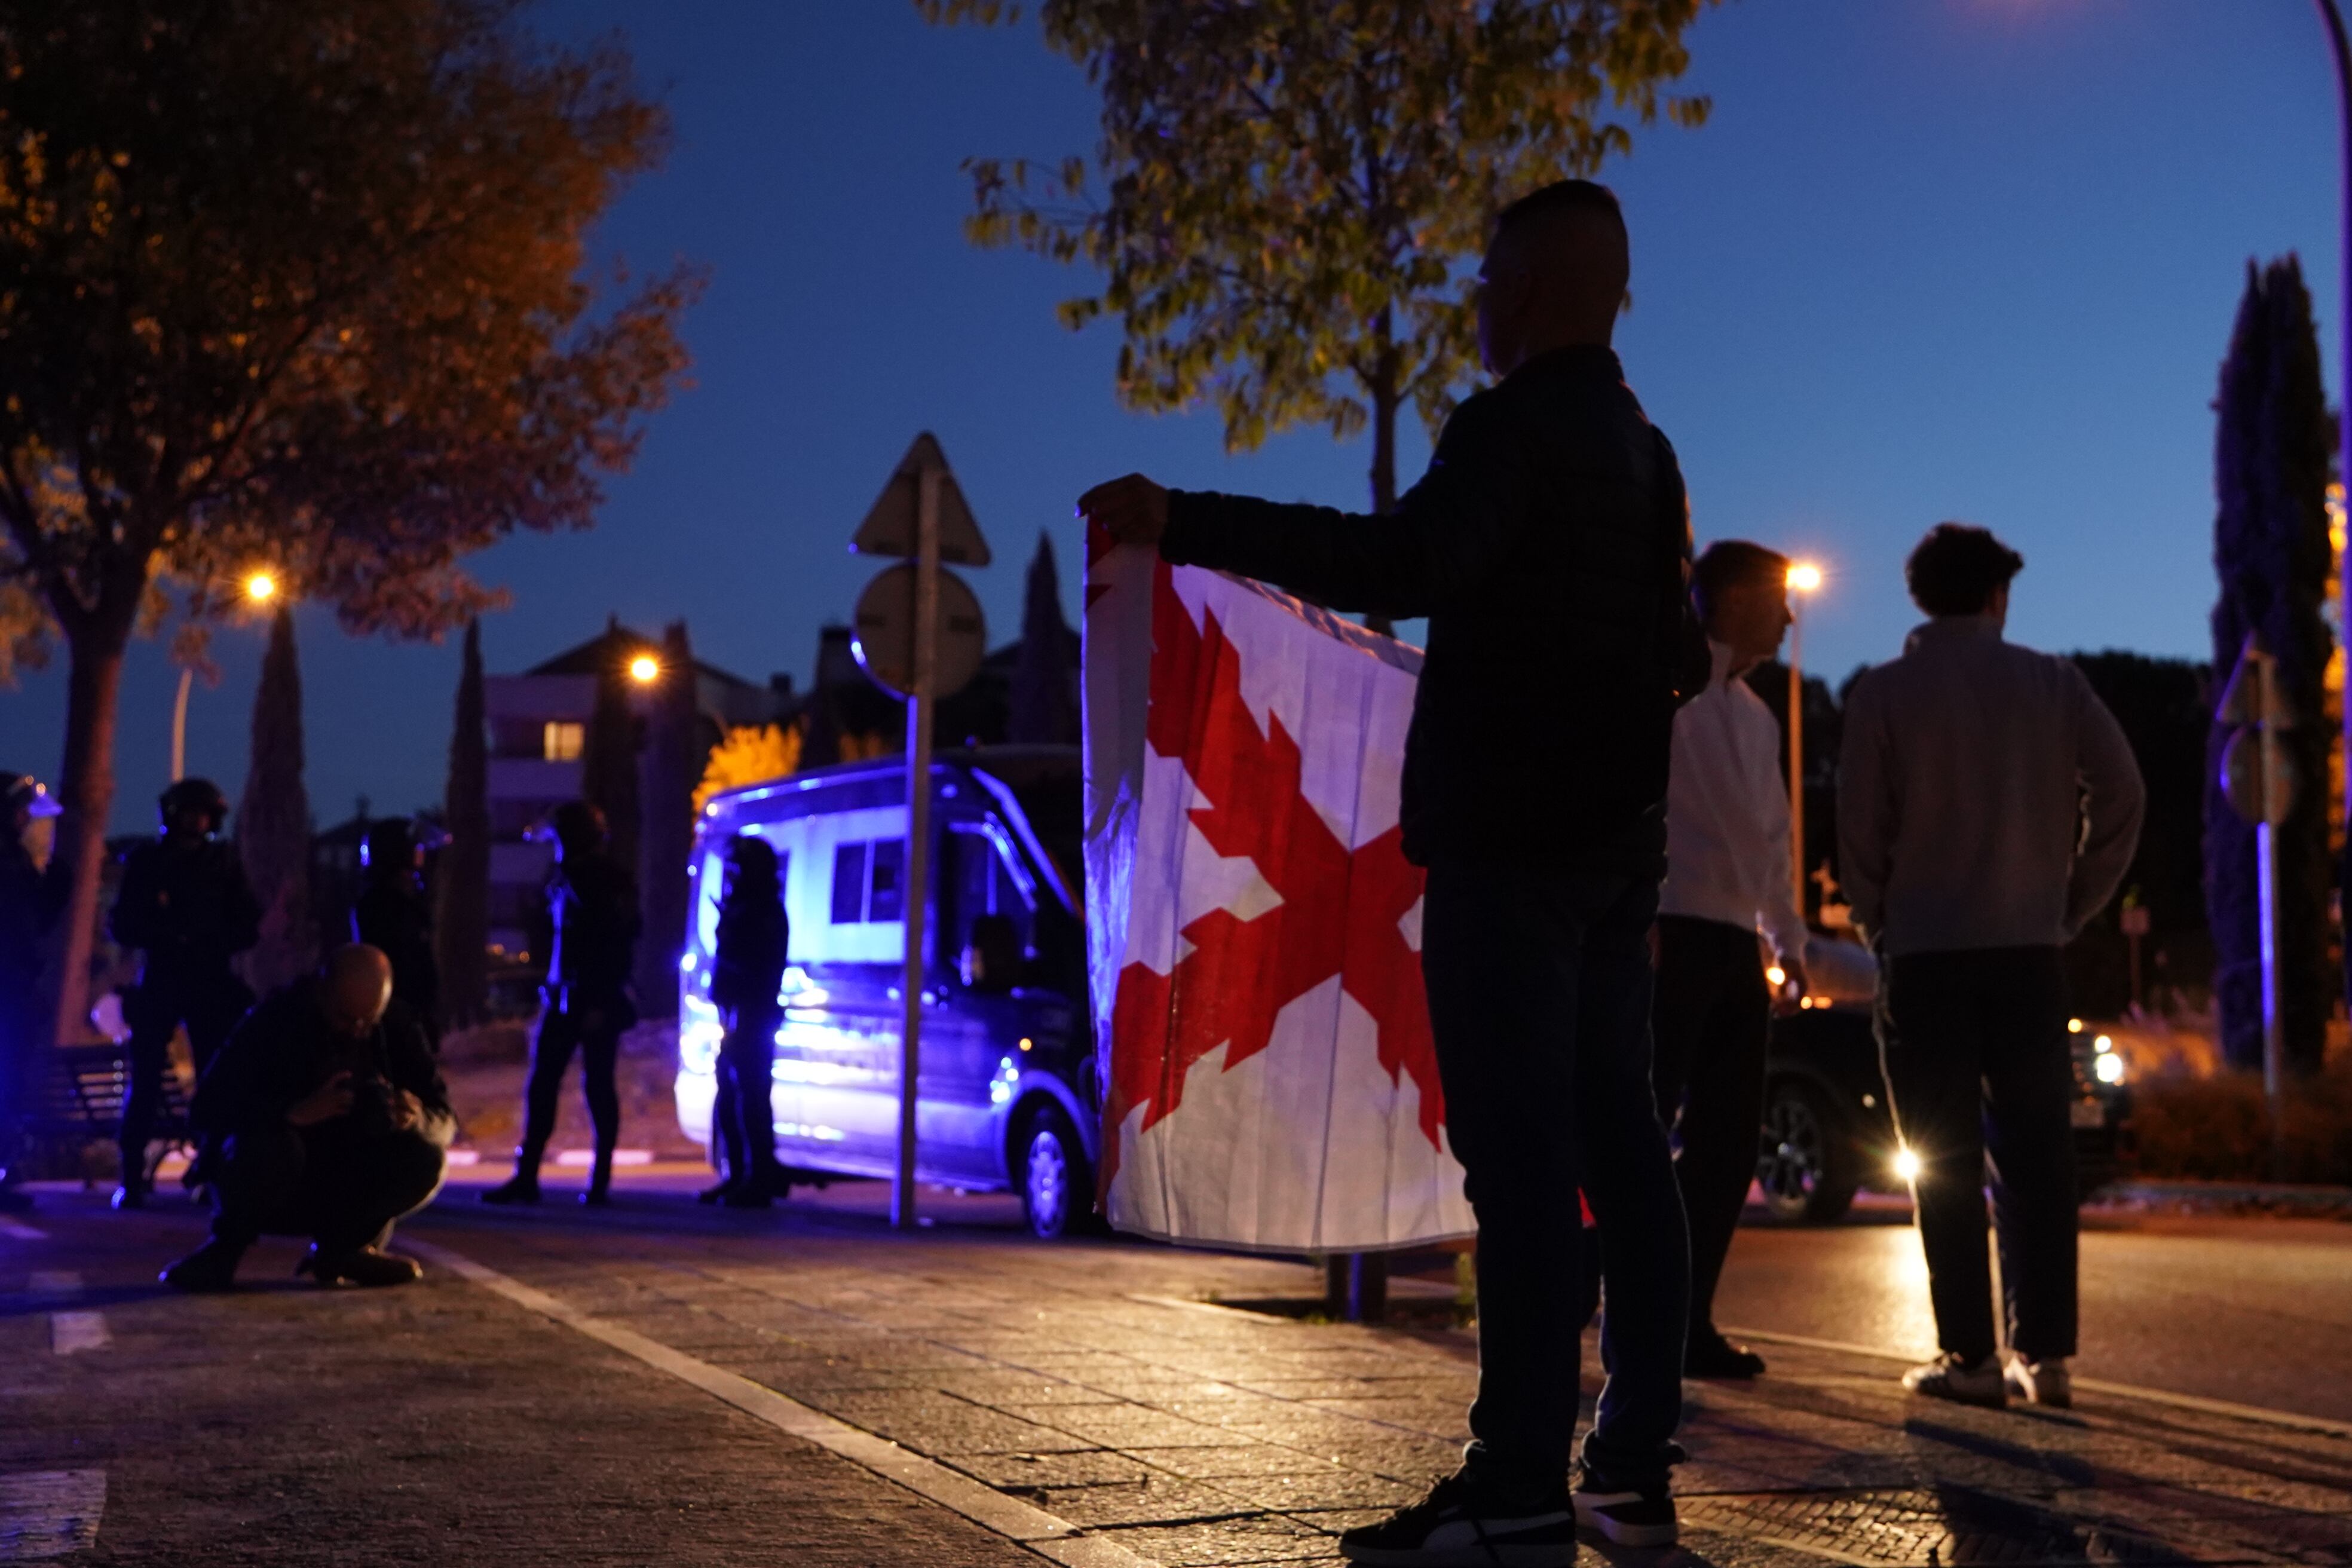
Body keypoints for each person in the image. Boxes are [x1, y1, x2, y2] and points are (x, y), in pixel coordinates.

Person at [1082, 177, 1706, 1566]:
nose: (1475, 308)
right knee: (1619, 1147)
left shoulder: (1513, 427)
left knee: (1524, 1166)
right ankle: (1632, 1458)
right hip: (1616, 857)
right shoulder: (1647, 451)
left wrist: (1186, 515)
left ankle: (1514, 1486)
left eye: (1486, 283)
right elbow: (1675, 655)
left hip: (1510, 850)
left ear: (1529, 290)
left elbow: (1404, 557)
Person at [1838, 523, 2143, 1410]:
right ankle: (2045, 1358)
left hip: (1925, 952)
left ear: (1921, 598)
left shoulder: (1881, 694)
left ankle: (1968, 1357)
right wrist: (2072, 903)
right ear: (1999, 596)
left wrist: (1877, 920)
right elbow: (2122, 793)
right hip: (2028, 952)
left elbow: (1860, 828)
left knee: (1939, 1155)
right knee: (2039, 1155)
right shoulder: (2053, 683)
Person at [1651, 541, 1812, 1380]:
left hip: (1734, 945)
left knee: (1726, 1143)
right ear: (1731, 599)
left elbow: (1772, 840)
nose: (1790, 619)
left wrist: (1785, 939)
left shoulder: (1755, 715)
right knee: (1636, 1132)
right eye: (1776, 600)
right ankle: (1582, 1302)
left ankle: (1688, 1320)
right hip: (1666, 931)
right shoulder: (1663, 686)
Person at [160, 945, 452, 1291]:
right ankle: (224, 1251)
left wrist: (415, 1117)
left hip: (350, 1176)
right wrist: (291, 1112)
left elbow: (445, 1119)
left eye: (368, 1022)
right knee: (273, 1142)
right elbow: (206, 1108)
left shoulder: (398, 1026)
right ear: (322, 990)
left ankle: (346, 1250)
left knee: (425, 1155)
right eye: (345, 1018)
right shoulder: (275, 1019)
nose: (356, 1031)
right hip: (280, 1181)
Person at [107, 777, 261, 1208]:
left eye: (203, 813)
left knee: (216, 1080)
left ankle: (209, 1169)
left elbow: (248, 923)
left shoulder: (223, 864)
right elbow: (122, 924)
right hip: (161, 980)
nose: (196, 821)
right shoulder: (148, 863)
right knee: (146, 1082)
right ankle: (132, 1177)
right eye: (189, 812)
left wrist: (210, 939)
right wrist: (168, 934)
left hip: (209, 981)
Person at [482, 800, 641, 1207]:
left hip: (593, 1000)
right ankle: (528, 1176)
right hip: (564, 998)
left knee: (596, 1086)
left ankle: (598, 1179)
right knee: (544, 1085)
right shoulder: (568, 877)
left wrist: (601, 1000)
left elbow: (615, 944)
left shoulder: (602, 881)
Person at [699, 833, 790, 1208]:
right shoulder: (743, 906)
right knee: (729, 1096)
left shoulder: (764, 911)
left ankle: (759, 1177)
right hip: (733, 1015)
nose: (731, 874)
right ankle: (736, 1174)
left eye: (738, 867)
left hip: (752, 1016)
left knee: (752, 1098)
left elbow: (757, 966)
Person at [0, 773, 69, 1214]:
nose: (27, 820)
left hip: (17, 988)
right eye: (22, 811)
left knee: (11, 1084)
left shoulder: (17, 857)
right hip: (8, 988)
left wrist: (56, 886)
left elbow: (34, 922)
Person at [351, 817, 442, 1052]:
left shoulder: (405, 901)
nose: (420, 853)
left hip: (412, 1019)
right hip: (397, 1025)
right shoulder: (383, 905)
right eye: (414, 847)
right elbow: (403, 964)